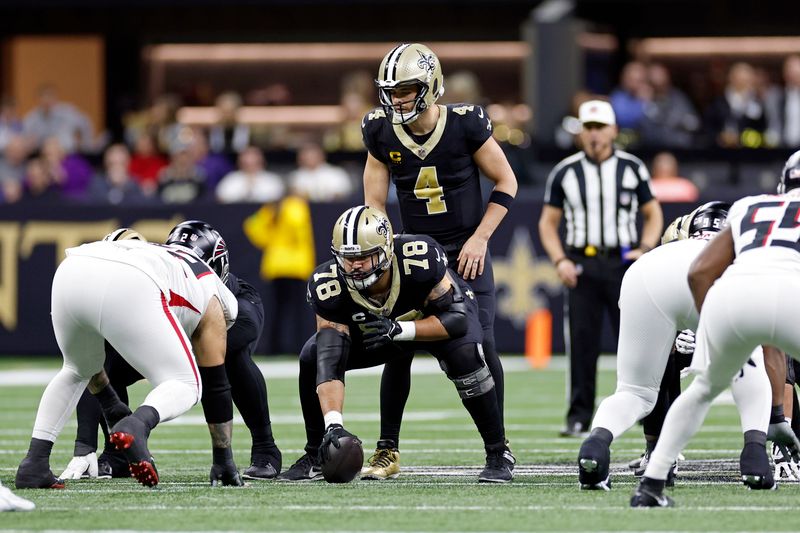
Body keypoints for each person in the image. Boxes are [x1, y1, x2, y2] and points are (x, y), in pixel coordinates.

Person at [361, 42, 517, 479]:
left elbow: (506, 181)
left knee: (480, 346)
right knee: (398, 345)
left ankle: (498, 449)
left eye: (407, 88)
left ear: (429, 85)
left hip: (465, 252)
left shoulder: (465, 123)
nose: (397, 98)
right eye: (391, 90)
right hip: (413, 255)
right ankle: (387, 449)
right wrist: (387, 250)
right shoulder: (380, 131)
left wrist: (480, 239)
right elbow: (374, 205)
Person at [276, 206, 514, 483]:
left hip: (433, 321)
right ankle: (319, 453)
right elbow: (329, 356)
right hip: (383, 329)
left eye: (364, 256)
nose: (355, 265)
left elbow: (457, 320)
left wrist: (400, 329)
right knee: (312, 354)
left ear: (386, 251)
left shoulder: (419, 258)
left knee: (466, 354)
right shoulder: (328, 283)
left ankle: (498, 452)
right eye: (348, 257)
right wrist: (335, 426)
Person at [577, 201, 789, 490]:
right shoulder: (749, 253)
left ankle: (596, 445)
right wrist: (776, 415)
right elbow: (769, 349)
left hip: (645, 271)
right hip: (716, 279)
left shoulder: (672, 246)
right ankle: (755, 457)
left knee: (634, 392)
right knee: (750, 367)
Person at [631, 149, 800, 507]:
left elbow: (699, 271)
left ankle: (653, 482)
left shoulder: (751, 206)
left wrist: (706, 324)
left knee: (703, 389)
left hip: (735, 295)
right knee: (778, 357)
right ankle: (774, 438)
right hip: (789, 293)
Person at [14, 222, 239, 489]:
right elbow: (216, 384)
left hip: (74, 265)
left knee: (75, 369)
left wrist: (111, 404)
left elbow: (92, 367)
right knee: (188, 384)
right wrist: (223, 458)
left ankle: (34, 463)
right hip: (133, 280)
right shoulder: (216, 290)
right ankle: (138, 426)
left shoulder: (155, 252)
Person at [60, 224, 282, 483]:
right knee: (108, 361)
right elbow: (91, 361)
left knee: (231, 358)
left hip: (203, 326)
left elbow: (218, 362)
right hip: (169, 319)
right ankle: (116, 454)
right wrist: (84, 445)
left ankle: (265, 448)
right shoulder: (155, 275)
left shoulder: (227, 297)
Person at [538, 99, 664, 438]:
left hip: (624, 263)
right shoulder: (565, 171)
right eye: (588, 128)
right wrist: (560, 260)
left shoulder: (632, 167)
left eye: (600, 127)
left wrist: (646, 249)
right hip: (583, 263)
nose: (594, 134)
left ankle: (644, 412)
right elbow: (548, 224)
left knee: (638, 341)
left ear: (613, 131)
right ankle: (579, 416)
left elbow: (653, 213)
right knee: (582, 342)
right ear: (581, 132)